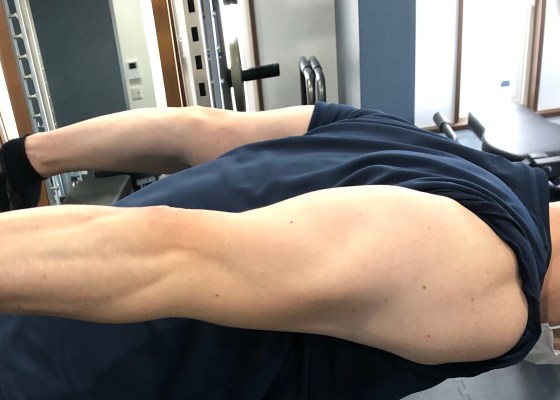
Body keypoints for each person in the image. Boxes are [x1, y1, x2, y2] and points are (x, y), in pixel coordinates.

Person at [0, 102, 558, 399]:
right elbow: (167, 253)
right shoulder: (490, 277)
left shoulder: (415, 142)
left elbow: (194, 129)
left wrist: (27, 159)